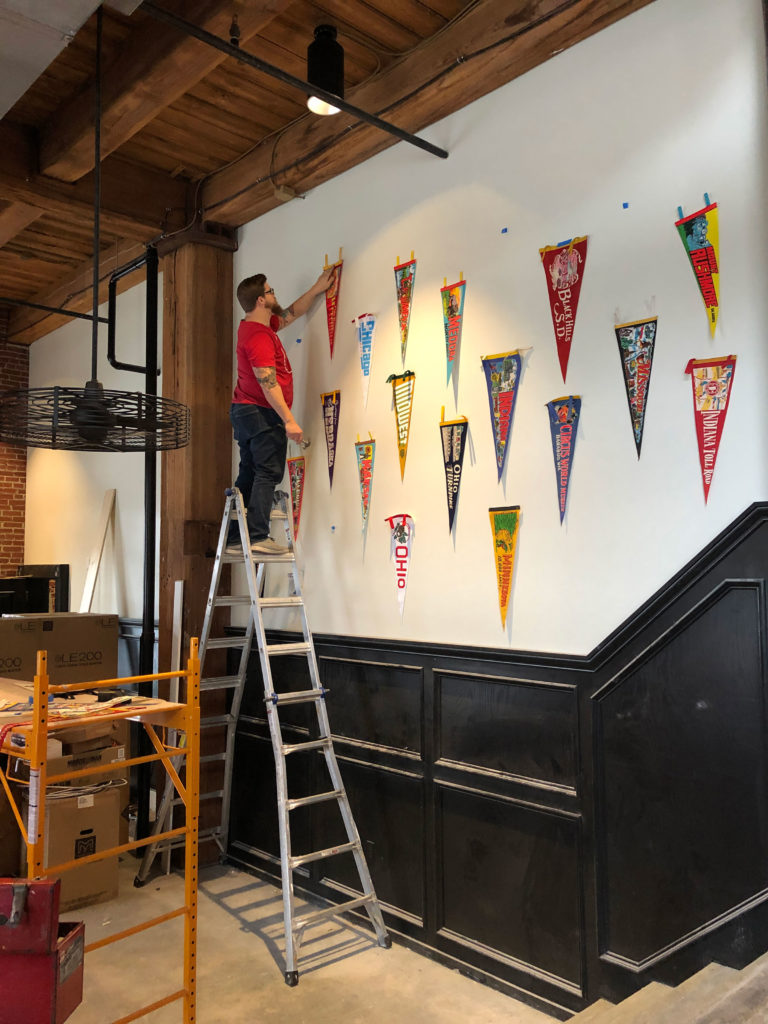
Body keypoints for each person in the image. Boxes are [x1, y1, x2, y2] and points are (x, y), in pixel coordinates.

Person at [228, 268, 334, 555]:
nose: (275, 294)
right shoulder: (257, 337)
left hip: (246, 411)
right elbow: (267, 382)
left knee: (249, 472)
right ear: (261, 301)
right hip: (260, 412)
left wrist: (315, 288)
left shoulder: (260, 328)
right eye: (271, 291)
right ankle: (259, 536)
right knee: (267, 470)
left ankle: (238, 538)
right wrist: (289, 420)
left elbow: (290, 313)